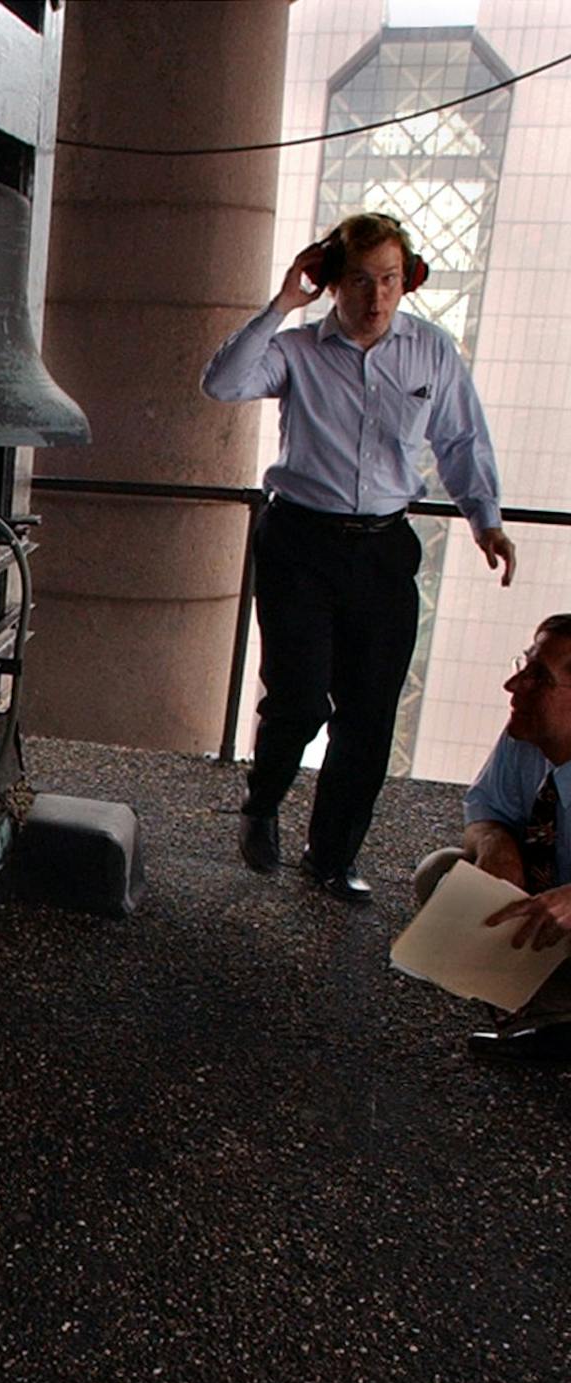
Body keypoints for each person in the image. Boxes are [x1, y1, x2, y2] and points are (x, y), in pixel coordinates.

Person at [203, 211, 516, 902]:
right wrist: (283, 302)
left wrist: (485, 519)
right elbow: (222, 384)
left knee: (370, 714)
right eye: (359, 281)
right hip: (299, 544)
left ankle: (331, 856)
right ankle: (261, 804)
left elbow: (461, 440)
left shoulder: (429, 351)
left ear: (406, 282)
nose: (376, 298)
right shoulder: (298, 350)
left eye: (390, 280)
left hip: (382, 548)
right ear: (330, 282)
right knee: (300, 695)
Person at [412, 614, 571, 1059]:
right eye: (525, 664)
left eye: (539, 677)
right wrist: (496, 846)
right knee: (442, 873)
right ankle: (546, 1017)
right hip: (548, 904)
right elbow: (486, 807)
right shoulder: (525, 734)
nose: (513, 685)